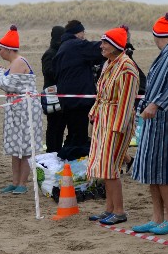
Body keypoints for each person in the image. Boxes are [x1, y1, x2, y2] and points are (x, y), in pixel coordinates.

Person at [130, 14, 168, 236]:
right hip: (152, 118)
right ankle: (157, 217)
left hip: (164, 119)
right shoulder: (167, 53)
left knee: (162, 169)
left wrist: (156, 104)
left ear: (156, 35)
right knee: (151, 170)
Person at [86, 26, 140, 225]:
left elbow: (126, 103)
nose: (101, 46)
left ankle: (119, 210)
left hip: (116, 123)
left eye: (105, 43)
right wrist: (94, 113)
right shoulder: (109, 63)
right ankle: (108, 208)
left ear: (116, 45)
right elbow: (101, 94)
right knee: (103, 166)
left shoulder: (126, 67)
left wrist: (117, 129)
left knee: (110, 167)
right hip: (104, 120)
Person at [0, 26, 43, 194]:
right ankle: (14, 182)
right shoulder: (12, 64)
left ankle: (22, 183)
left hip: (25, 111)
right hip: (15, 111)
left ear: (8, 49)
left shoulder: (19, 62)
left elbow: (7, 84)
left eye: (0, 49)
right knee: (15, 148)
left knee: (25, 148)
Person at [53, 20, 105, 159]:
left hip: (67, 99)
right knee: (79, 137)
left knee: (73, 134)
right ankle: (73, 164)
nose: (84, 35)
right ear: (78, 32)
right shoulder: (75, 45)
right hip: (78, 100)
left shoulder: (64, 46)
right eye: (83, 32)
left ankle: (67, 160)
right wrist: (111, 44)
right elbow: (97, 49)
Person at [40, 26, 66, 154]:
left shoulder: (60, 52)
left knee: (60, 126)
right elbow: (48, 72)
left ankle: (58, 150)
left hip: (61, 95)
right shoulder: (49, 53)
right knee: (53, 126)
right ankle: (51, 152)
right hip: (51, 96)